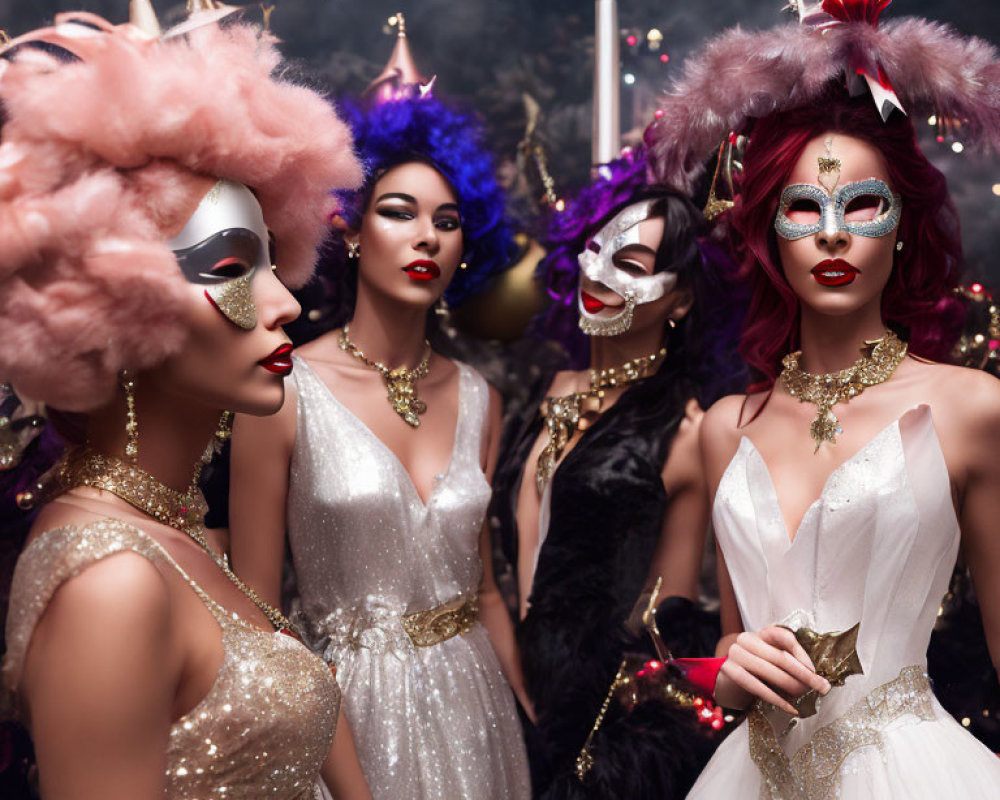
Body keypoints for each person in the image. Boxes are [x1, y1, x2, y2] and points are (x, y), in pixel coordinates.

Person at [0, 10, 371, 799]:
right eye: (232, 265)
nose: (287, 303)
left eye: (274, 259)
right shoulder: (108, 581)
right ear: (109, 297)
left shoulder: (170, 524)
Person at [645, 3, 1000, 797]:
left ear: (903, 225)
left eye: (863, 205)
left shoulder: (972, 409)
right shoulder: (727, 427)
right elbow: (737, 647)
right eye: (803, 209)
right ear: (770, 233)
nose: (833, 233)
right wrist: (726, 671)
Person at [229, 90, 531, 799]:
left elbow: (484, 587)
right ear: (354, 228)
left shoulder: (481, 398)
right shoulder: (284, 389)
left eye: (448, 222)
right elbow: (257, 613)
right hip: (346, 712)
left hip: (475, 703)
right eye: (399, 212)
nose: (426, 236)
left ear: (466, 248)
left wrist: (527, 709)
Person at [489, 149, 741, 799]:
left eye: (629, 264)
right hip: (496, 687)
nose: (597, 273)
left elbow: (668, 615)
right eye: (597, 250)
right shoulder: (549, 388)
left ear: (680, 298)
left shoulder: (686, 432)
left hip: (593, 727)